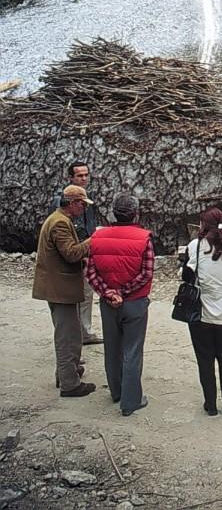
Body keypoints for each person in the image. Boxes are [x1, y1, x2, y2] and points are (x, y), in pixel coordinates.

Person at [86, 192, 154, 417]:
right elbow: (146, 273)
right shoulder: (144, 238)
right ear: (136, 213)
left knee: (112, 348)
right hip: (135, 303)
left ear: (113, 213)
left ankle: (116, 392)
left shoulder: (97, 237)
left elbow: (91, 272)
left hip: (108, 303)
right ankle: (131, 401)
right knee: (132, 350)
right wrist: (123, 292)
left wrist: (108, 292)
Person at [32, 185, 97, 398]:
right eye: (82, 204)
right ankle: (69, 384)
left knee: (70, 332)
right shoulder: (60, 223)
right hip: (60, 289)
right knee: (67, 336)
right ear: (73, 203)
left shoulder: (58, 219)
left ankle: (67, 372)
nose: (84, 208)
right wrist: (93, 241)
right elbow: (70, 253)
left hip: (58, 287)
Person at [183, 207, 222, 419]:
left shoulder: (196, 246)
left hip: (203, 313)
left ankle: (211, 405)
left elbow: (187, 275)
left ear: (204, 224)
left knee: (205, 360)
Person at [51, 160, 103, 345]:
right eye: (79, 175)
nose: (84, 178)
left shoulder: (86, 198)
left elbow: (89, 224)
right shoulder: (63, 201)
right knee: (75, 296)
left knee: (87, 293)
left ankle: (85, 331)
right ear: (70, 177)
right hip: (74, 251)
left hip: (87, 251)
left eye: (86, 174)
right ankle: (76, 335)